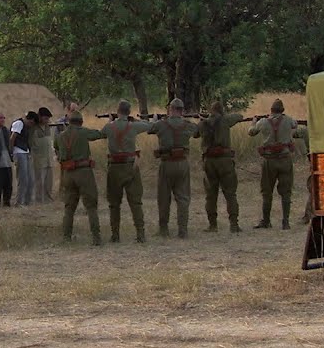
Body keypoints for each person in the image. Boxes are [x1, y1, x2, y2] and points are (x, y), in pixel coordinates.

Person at [101, 100, 153, 243]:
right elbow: (149, 125)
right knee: (136, 202)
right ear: (129, 112)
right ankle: (141, 234)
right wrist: (135, 120)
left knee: (114, 203)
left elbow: (102, 133)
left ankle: (115, 235)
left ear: (117, 111)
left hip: (114, 167)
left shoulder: (109, 127)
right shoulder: (133, 126)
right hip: (130, 166)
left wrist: (111, 122)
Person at [147, 98, 198, 238]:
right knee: (183, 197)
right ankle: (183, 230)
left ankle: (163, 229)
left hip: (166, 163)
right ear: (182, 110)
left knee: (164, 197)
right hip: (182, 163)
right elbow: (197, 132)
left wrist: (155, 119)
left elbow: (150, 129)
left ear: (170, 109)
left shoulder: (161, 124)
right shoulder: (188, 125)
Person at [248, 99, 303, 229]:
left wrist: (254, 121)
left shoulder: (263, 122)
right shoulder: (288, 120)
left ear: (271, 110)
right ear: (282, 111)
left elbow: (251, 132)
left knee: (267, 192)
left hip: (269, 161)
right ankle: (286, 222)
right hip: (285, 159)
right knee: (286, 192)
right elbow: (295, 125)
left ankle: (266, 221)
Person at [54, 110, 107, 245]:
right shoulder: (83, 132)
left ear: (69, 122)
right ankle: (96, 238)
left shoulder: (60, 136)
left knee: (69, 208)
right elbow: (100, 134)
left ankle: (66, 237)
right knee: (91, 206)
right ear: (81, 122)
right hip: (83, 172)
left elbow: (56, 148)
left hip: (67, 174)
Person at [198, 100, 247, 233]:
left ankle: (212, 225)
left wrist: (203, 119)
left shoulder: (203, 123)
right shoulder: (226, 120)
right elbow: (240, 116)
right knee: (230, 193)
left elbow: (196, 134)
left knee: (210, 195)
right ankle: (234, 225)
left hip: (209, 161)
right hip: (225, 161)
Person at [11, 110, 36, 206]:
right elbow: (12, 138)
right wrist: (12, 153)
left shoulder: (26, 126)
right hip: (19, 152)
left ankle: (26, 202)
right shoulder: (19, 123)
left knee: (30, 179)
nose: (31, 125)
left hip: (25, 152)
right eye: (32, 122)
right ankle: (19, 202)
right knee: (23, 179)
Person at [32, 106, 55, 202]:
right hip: (39, 158)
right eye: (45, 118)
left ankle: (48, 197)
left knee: (49, 180)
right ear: (39, 117)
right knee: (39, 180)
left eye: (48, 119)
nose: (47, 120)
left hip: (49, 158)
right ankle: (38, 199)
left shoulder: (48, 127)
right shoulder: (33, 128)